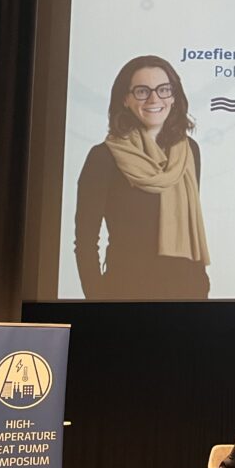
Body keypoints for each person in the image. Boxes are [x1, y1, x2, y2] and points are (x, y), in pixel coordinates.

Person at [74, 54, 210, 300]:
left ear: (174, 97)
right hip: (125, 297)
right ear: (125, 99)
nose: (154, 99)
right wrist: (96, 303)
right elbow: (85, 241)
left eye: (163, 89)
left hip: (188, 295)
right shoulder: (103, 158)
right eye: (142, 91)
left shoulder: (190, 151)